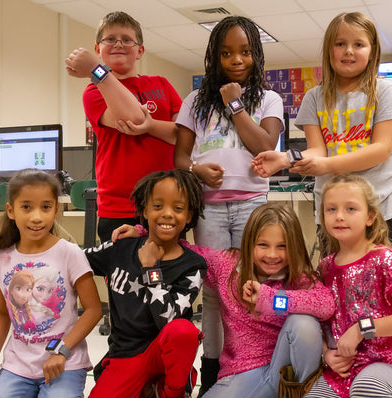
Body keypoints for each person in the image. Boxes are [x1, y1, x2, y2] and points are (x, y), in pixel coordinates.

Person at [113, 202, 335, 398]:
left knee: (304, 323)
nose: (272, 255)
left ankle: (305, 393)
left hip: (287, 370)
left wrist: (270, 299)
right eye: (263, 245)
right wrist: (143, 234)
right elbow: (184, 252)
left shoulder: (297, 275)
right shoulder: (227, 265)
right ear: (249, 243)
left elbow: (325, 304)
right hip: (243, 371)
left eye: (282, 246)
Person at [173, 16, 284, 393]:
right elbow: (180, 158)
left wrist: (234, 103)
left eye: (245, 51)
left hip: (254, 203)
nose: (236, 59)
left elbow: (264, 147)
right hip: (212, 208)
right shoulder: (194, 101)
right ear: (213, 57)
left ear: (257, 54)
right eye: (226, 53)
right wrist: (197, 170)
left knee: (257, 284)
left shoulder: (269, 99)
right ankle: (213, 370)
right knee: (215, 293)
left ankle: (257, 361)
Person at [252, 12, 392, 250]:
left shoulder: (385, 91)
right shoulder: (314, 97)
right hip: (333, 211)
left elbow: (380, 149)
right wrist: (285, 158)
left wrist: (327, 165)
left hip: (379, 208)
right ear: (329, 50)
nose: (348, 50)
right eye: (340, 44)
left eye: (358, 44)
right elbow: (318, 150)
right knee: (334, 277)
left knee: (375, 282)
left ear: (372, 51)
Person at [0, 169, 102, 397]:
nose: (36, 217)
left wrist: (62, 351)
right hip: (18, 367)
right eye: (26, 207)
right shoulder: (2, 258)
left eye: (45, 207)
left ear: (56, 210)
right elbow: (2, 314)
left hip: (66, 363)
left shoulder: (70, 253)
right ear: (11, 211)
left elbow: (93, 310)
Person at [84, 169, 207, 398]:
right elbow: (74, 259)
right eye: (158, 206)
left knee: (183, 331)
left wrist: (151, 270)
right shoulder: (120, 247)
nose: (167, 214)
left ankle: (172, 392)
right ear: (144, 210)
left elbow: (169, 320)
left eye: (178, 208)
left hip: (163, 354)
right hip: (126, 356)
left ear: (189, 215)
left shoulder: (193, 265)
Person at [305, 174, 392, 398]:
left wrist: (362, 328)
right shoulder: (324, 268)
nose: (340, 216)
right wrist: (326, 354)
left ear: (370, 216)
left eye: (351, 209)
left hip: (386, 364)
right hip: (341, 369)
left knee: (366, 387)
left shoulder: (384, 260)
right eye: (331, 209)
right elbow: (319, 322)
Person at [66, 11, 183, 242]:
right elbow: (133, 118)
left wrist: (95, 70)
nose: (118, 44)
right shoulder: (94, 91)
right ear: (98, 49)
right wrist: (97, 73)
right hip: (120, 207)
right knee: (122, 278)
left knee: (170, 275)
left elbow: (182, 135)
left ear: (140, 50)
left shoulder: (161, 84)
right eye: (110, 39)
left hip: (167, 204)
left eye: (127, 39)